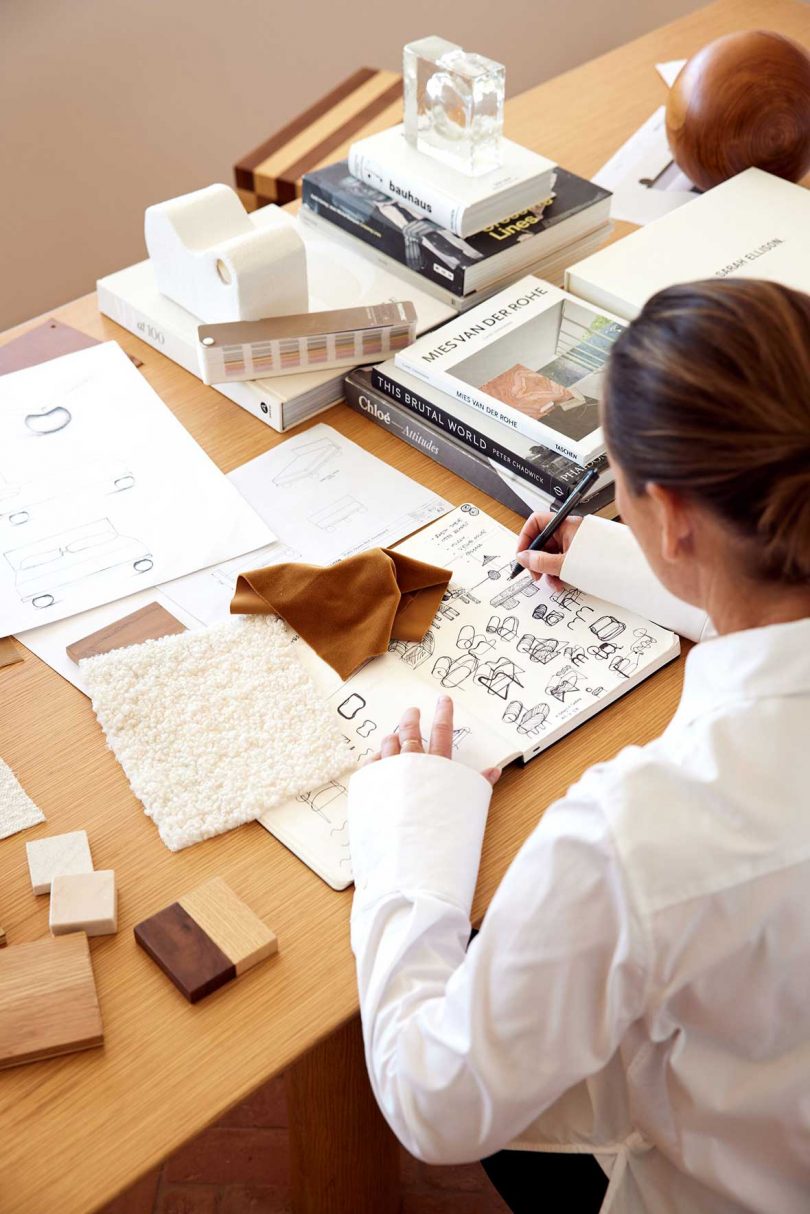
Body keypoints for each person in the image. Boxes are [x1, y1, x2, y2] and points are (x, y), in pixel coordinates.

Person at [346, 278, 810, 1214]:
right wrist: (652, 574)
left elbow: (437, 1105)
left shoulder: (631, 836)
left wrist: (412, 835)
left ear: (672, 518)